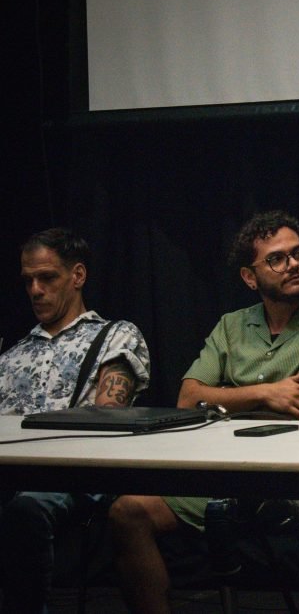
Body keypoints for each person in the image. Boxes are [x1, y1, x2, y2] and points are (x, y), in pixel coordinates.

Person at [107, 210, 299, 614]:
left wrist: (225, 395)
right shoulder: (231, 326)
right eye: (277, 258)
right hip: (217, 470)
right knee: (127, 511)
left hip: (285, 477)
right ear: (249, 277)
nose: (294, 264)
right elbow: (188, 397)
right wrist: (266, 392)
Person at [0, 228, 151, 613]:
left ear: (77, 276)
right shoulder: (13, 353)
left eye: (47, 277)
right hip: (10, 473)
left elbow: (108, 416)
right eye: (28, 280)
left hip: (74, 473)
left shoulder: (114, 335)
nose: (35, 290)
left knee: (25, 509)